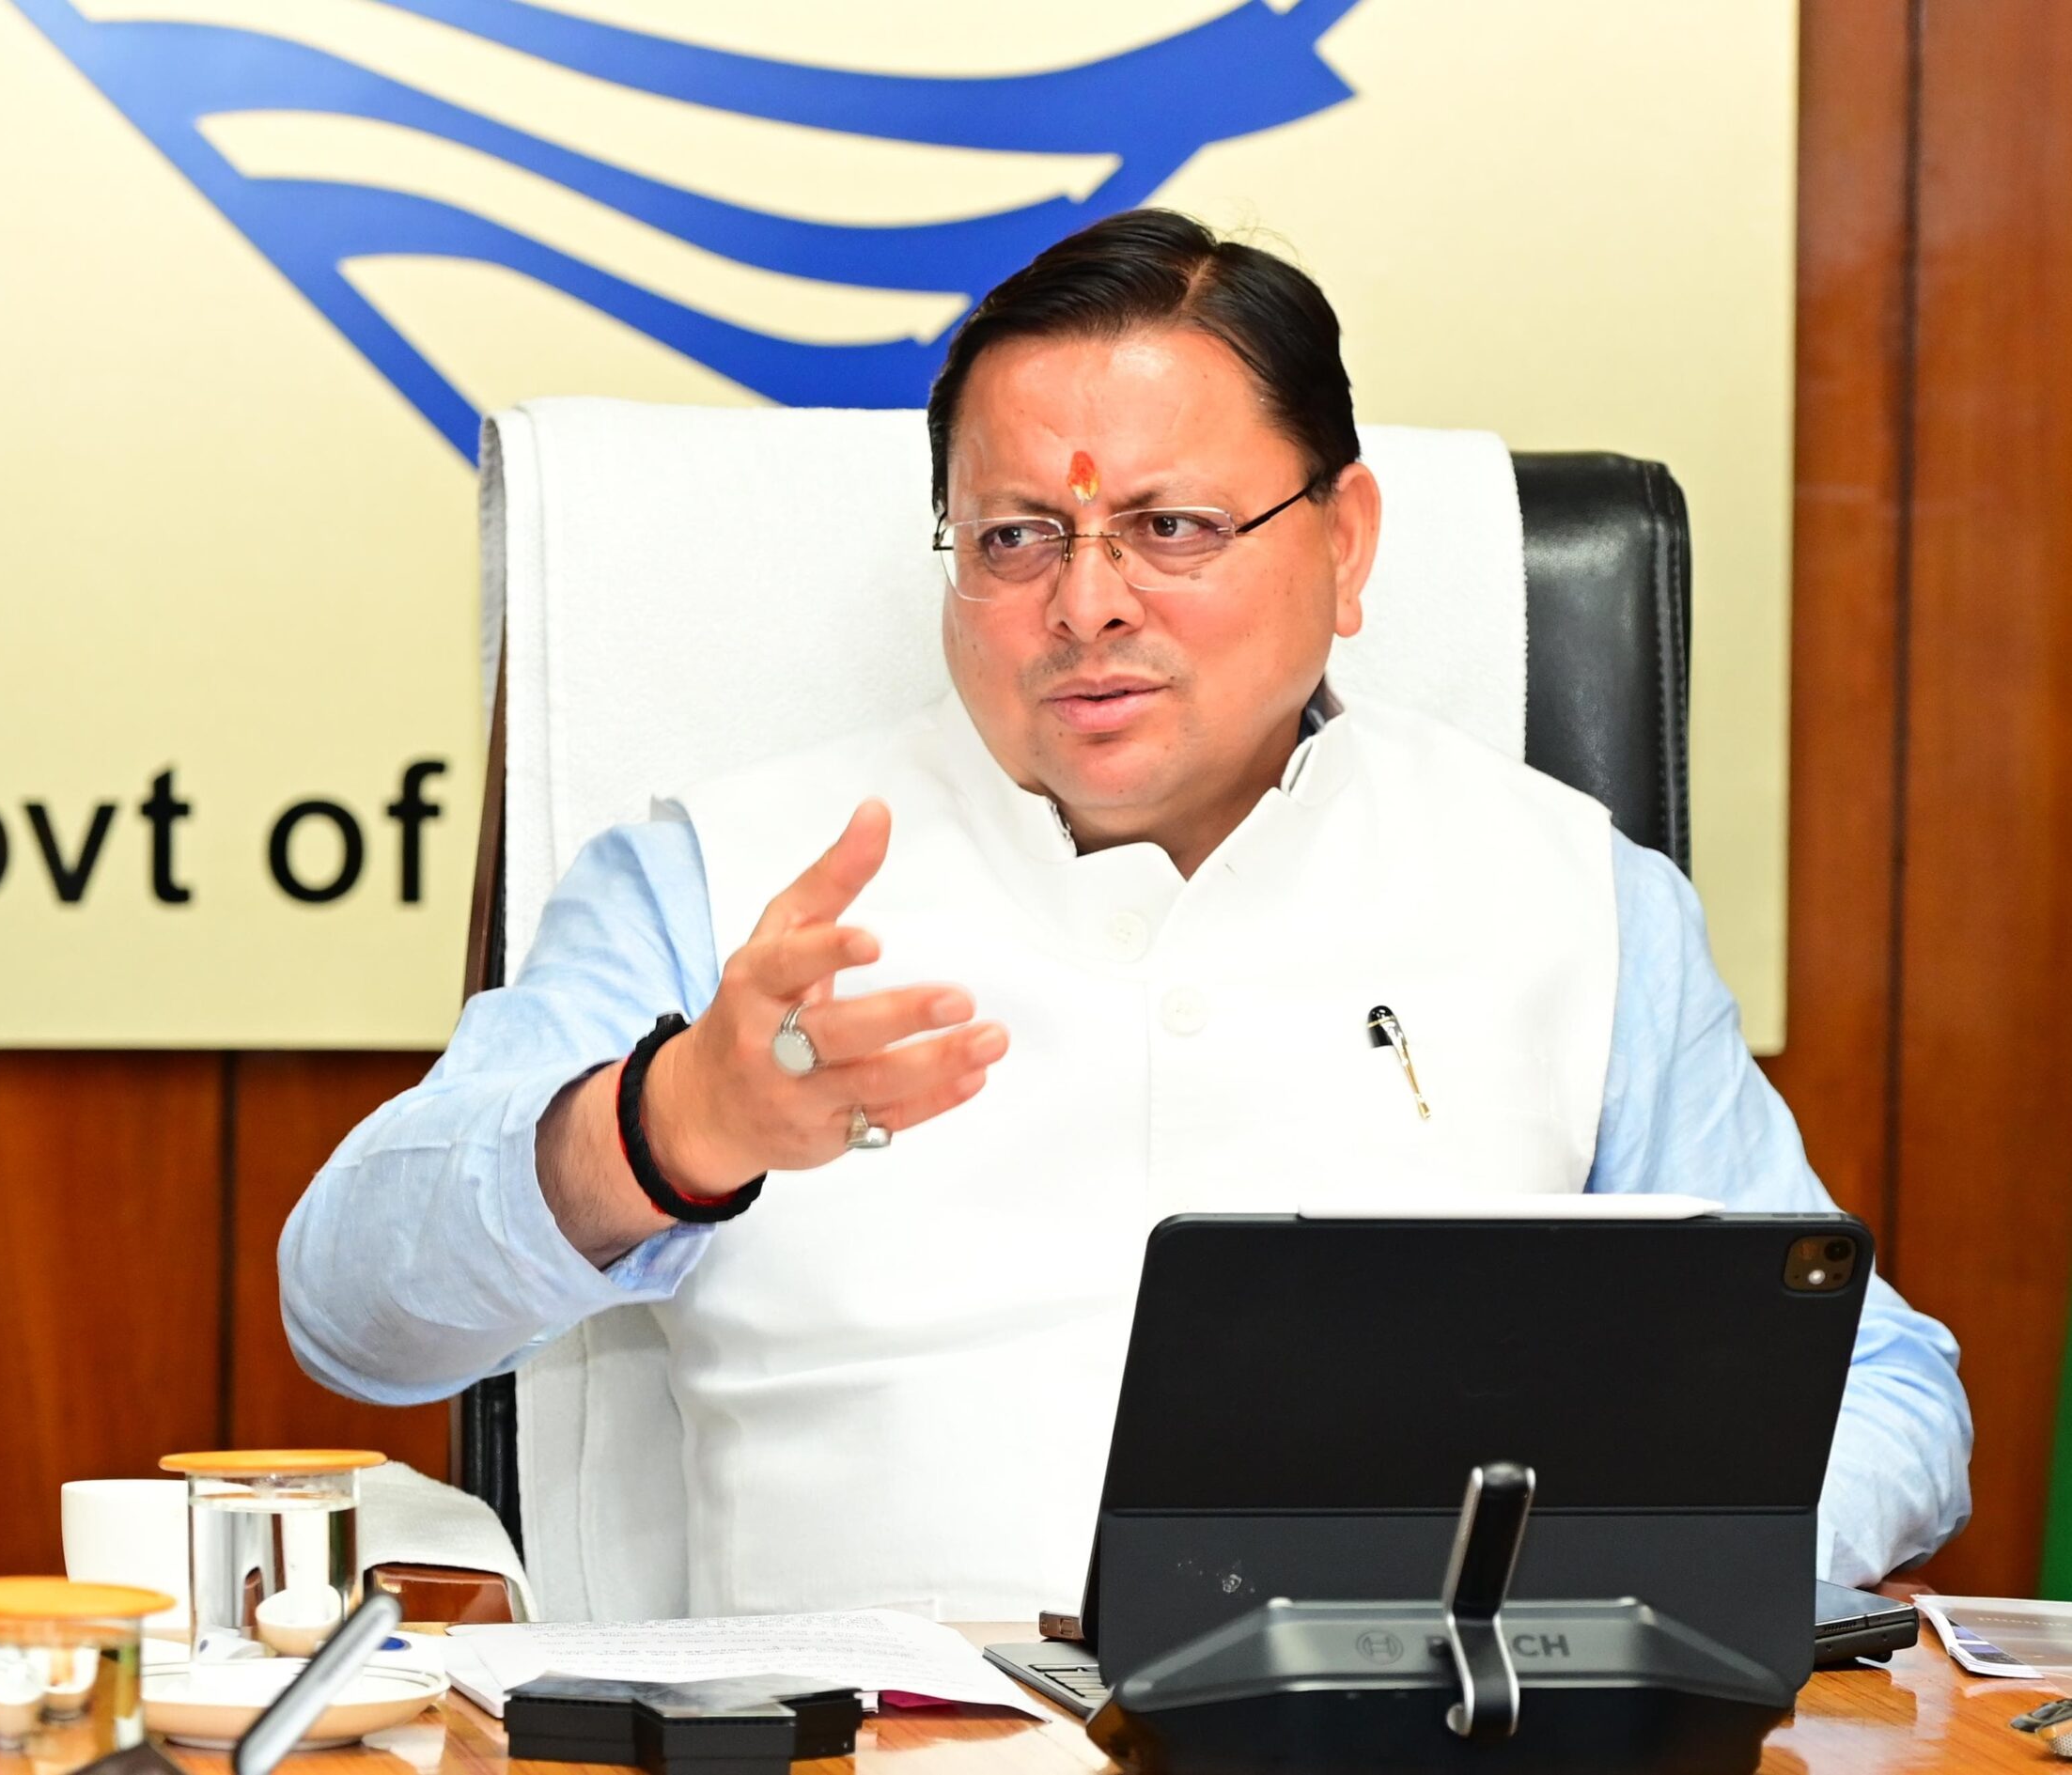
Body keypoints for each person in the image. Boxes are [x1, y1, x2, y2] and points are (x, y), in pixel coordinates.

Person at [281, 210, 1971, 1618]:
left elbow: (1882, 1391)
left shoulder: (1570, 893)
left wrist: (1579, 1579)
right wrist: (666, 1127)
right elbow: (350, 1306)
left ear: (1347, 541)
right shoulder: (731, 886)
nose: (1086, 604)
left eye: (1170, 526)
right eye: (1017, 537)